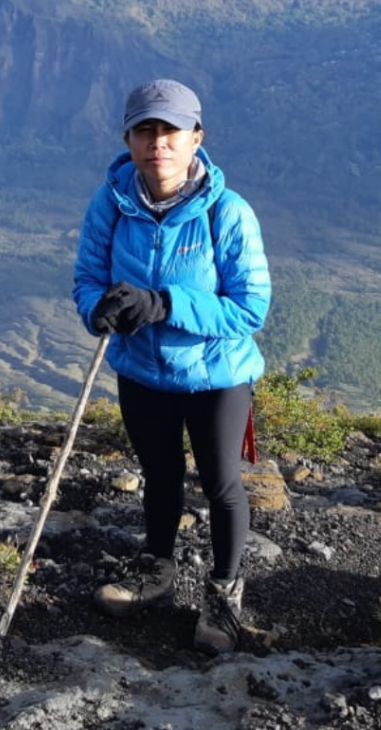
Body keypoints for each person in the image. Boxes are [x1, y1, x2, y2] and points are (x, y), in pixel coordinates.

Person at [72, 78, 271, 655]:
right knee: (159, 473)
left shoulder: (227, 213)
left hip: (217, 376)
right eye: (145, 130)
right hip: (142, 371)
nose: (157, 142)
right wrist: (98, 310)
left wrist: (164, 304)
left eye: (170, 130)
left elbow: (250, 308)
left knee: (220, 482)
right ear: (128, 140)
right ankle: (156, 569)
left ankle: (224, 593)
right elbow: (87, 278)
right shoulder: (111, 204)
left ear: (195, 138)